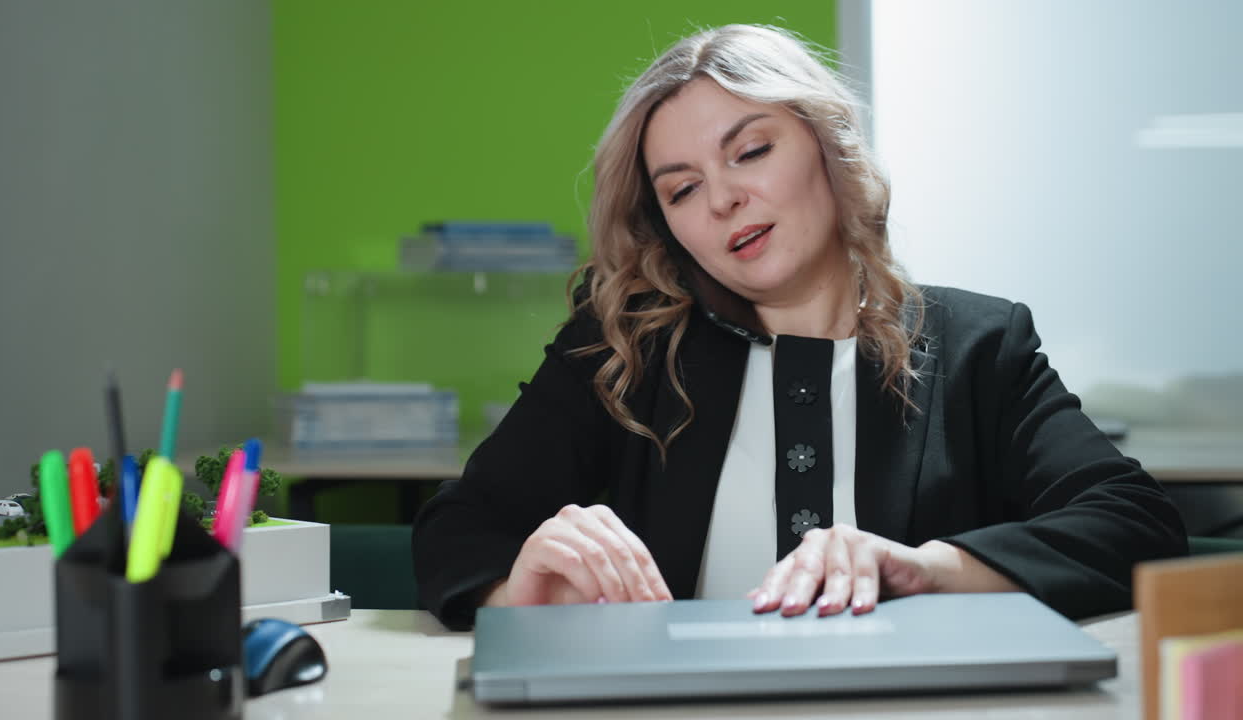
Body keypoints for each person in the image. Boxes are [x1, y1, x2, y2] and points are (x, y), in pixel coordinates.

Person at [412, 24, 1186, 630]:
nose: (721, 202)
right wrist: (521, 590)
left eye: (750, 151)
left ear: (826, 144)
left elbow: (1133, 524)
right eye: (682, 191)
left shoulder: (980, 343)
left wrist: (925, 569)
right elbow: (458, 528)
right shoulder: (622, 349)